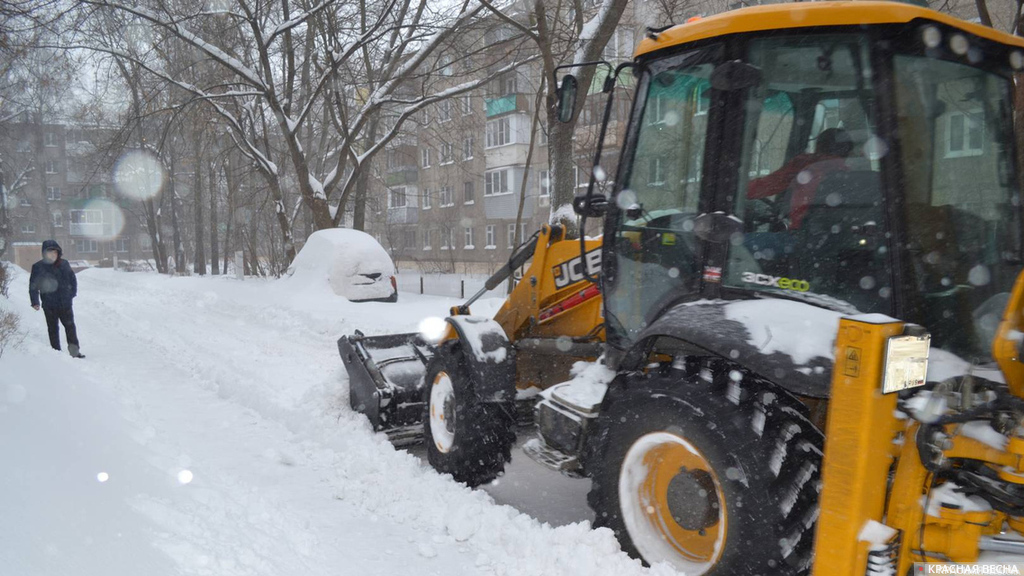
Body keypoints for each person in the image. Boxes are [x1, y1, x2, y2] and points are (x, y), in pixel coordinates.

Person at [747, 127, 854, 229]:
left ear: (818, 146)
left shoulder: (804, 165)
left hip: (801, 237)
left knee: (741, 244)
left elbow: (767, 185)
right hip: (836, 238)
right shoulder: (849, 176)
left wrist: (738, 190)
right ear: (848, 152)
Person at [29, 240, 85, 358]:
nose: (53, 254)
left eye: (55, 252)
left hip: (65, 303)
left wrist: (71, 294)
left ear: (58, 252)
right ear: (44, 253)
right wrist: (35, 301)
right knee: (53, 329)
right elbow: (33, 287)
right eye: (50, 252)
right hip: (49, 305)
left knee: (70, 327)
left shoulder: (64, 264)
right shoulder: (38, 267)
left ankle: (75, 352)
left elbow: (72, 279)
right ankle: (57, 353)